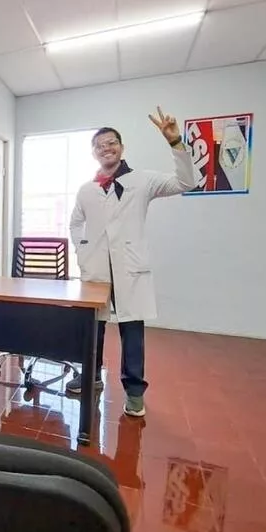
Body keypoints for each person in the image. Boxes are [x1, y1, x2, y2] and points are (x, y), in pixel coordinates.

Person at [66, 107, 200, 417]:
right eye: (100, 145)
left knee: (132, 331)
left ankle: (135, 392)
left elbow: (186, 183)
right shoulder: (86, 190)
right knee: (93, 327)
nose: (106, 148)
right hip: (96, 269)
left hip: (130, 267)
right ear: (94, 153)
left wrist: (175, 143)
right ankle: (91, 376)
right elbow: (75, 223)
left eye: (111, 142)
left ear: (122, 147)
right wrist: (82, 250)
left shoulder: (143, 181)